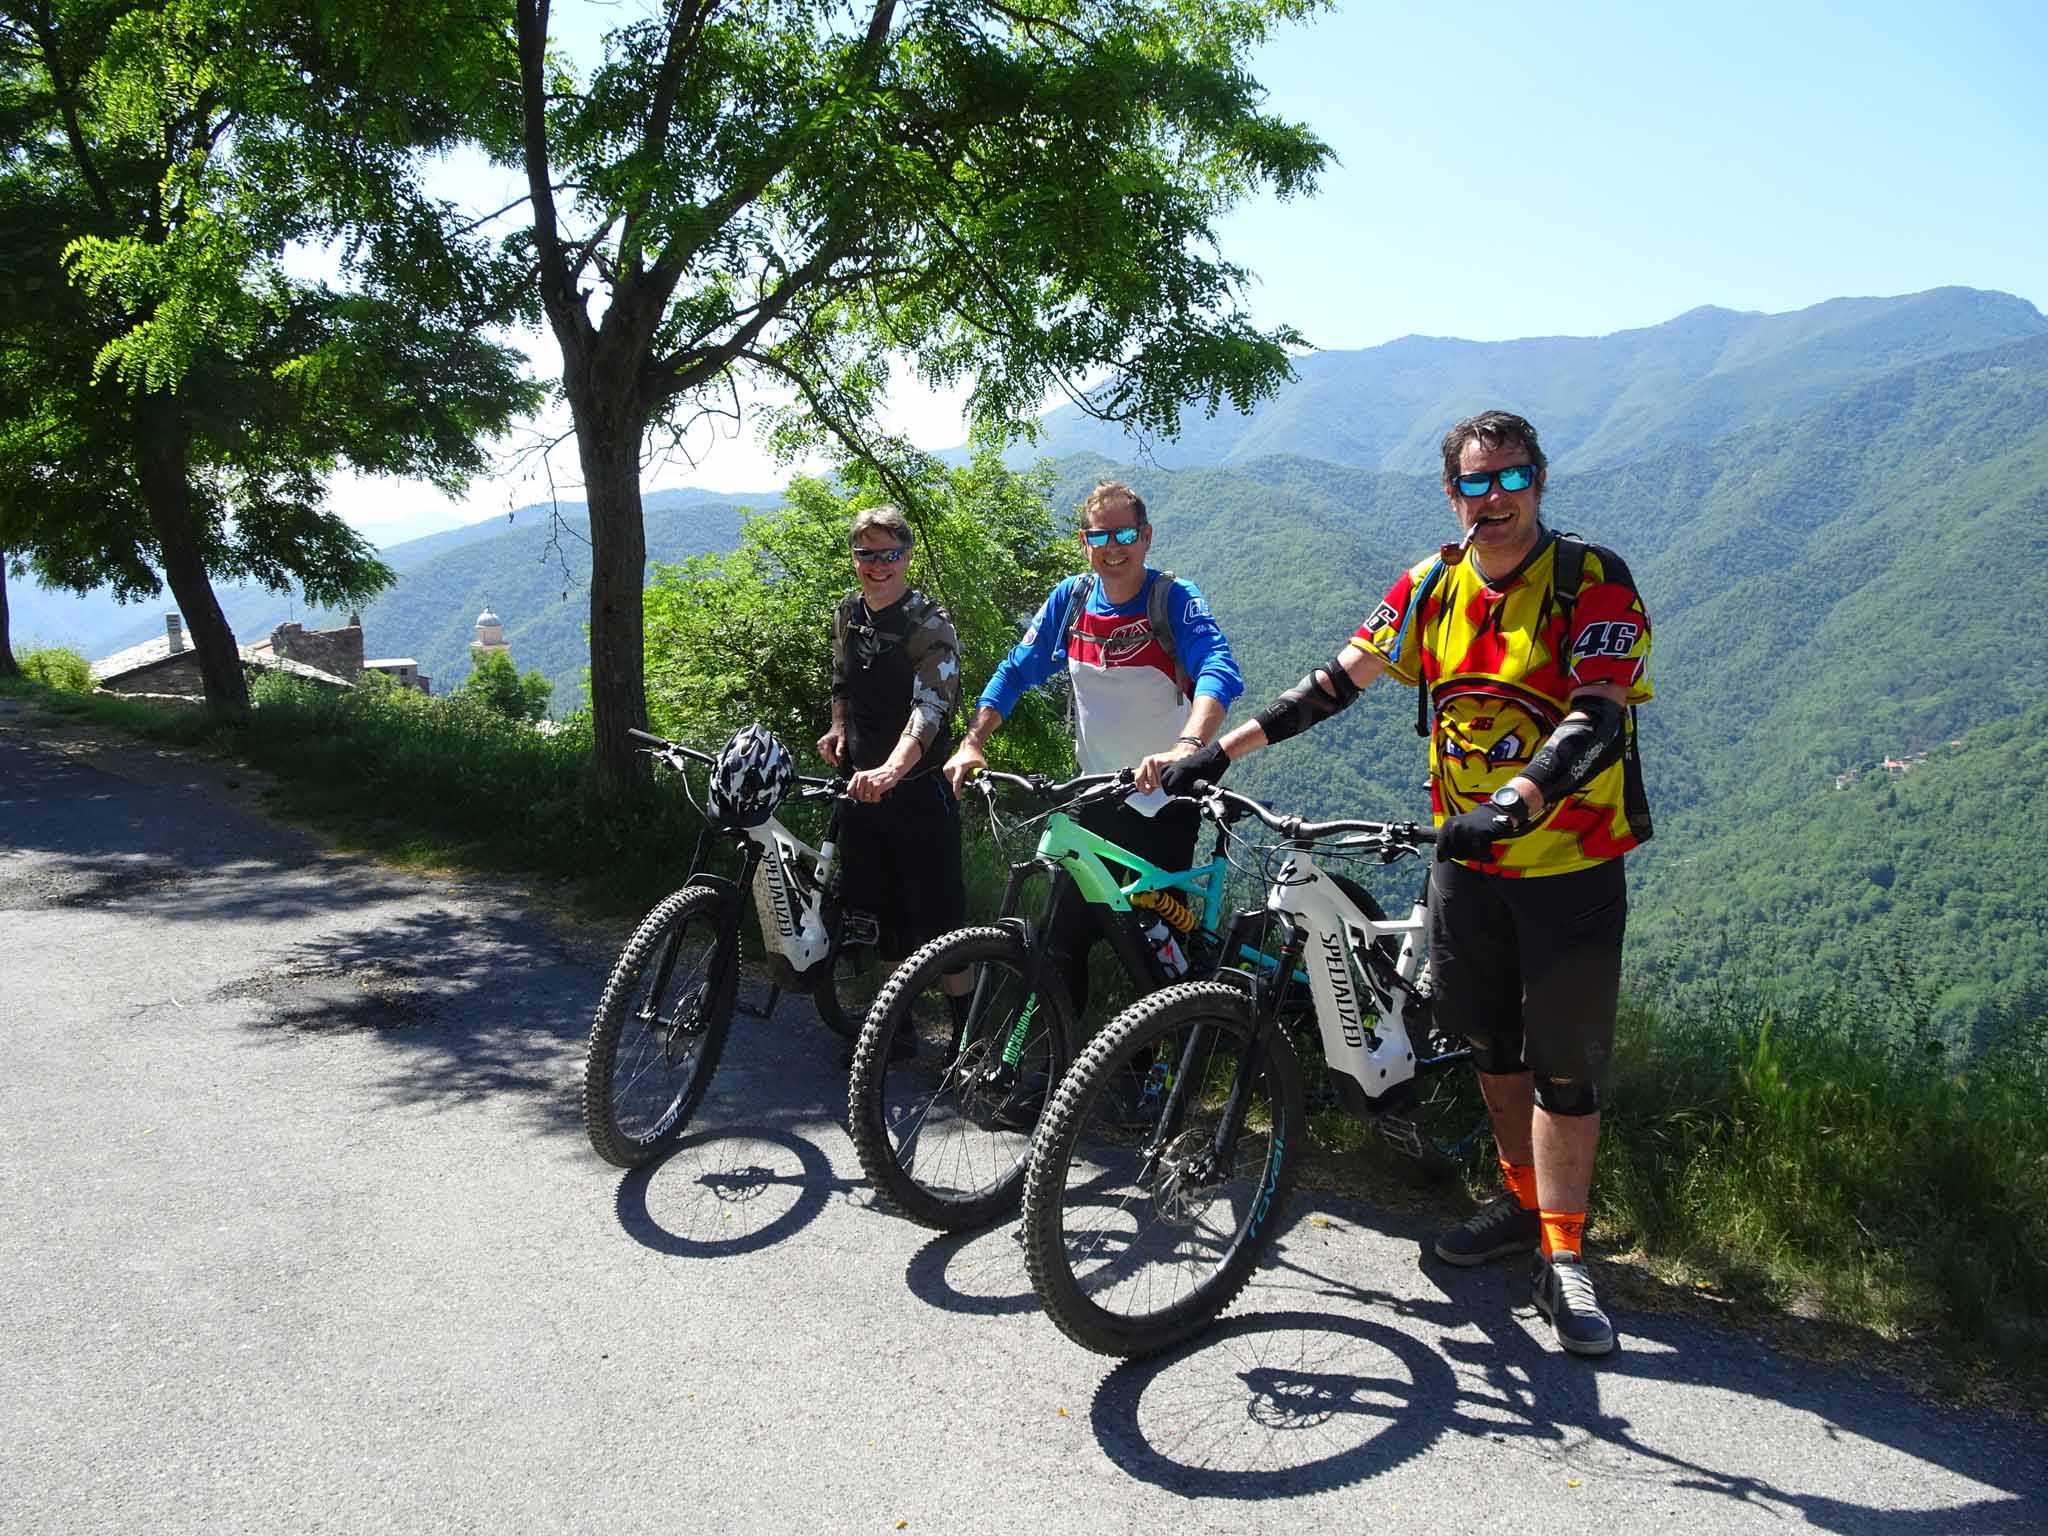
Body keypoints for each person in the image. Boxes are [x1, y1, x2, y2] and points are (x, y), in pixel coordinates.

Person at [1162, 410, 1654, 1357]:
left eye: (1511, 477)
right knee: (1490, 1047)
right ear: (1451, 494)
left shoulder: (1592, 579)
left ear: (1540, 481)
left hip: (1569, 862)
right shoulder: (1431, 583)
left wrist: (1514, 802)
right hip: (1466, 860)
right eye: (1475, 482)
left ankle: (1566, 1255)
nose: (1494, 498)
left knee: (1563, 1068)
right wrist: (1219, 754)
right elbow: (1331, 684)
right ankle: (1521, 1206)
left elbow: (1596, 716)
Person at [942, 480, 1243, 1022]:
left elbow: (1218, 669)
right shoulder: (1073, 599)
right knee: (1060, 943)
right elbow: (1016, 670)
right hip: (1095, 798)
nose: (1113, 547)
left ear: (1146, 536)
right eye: (1099, 536)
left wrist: (1188, 747)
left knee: (1155, 957)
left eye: (1125, 534)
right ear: (1084, 542)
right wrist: (972, 743)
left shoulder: (1172, 598)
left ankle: (1156, 1060)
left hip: (1166, 803)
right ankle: (1056, 1058)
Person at [817, 506, 971, 1032]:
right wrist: (838, 729)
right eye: (867, 554)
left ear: (906, 558)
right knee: (881, 916)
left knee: (941, 921)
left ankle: (964, 1036)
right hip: (860, 788)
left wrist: (891, 770)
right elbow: (842, 681)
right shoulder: (847, 614)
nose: (878, 565)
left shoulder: (929, 624)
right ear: (853, 557)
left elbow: (930, 709)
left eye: (890, 554)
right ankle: (893, 1031)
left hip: (918, 793)